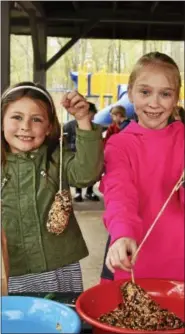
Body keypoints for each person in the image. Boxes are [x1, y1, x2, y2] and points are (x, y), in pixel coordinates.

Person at [1, 81, 103, 293]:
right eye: (16, 117)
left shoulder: (57, 159)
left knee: (57, 323)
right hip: (10, 268)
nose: (25, 126)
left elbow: (87, 174)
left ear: (49, 128)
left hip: (58, 268)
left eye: (36, 119)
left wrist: (83, 120)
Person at [100, 52, 184, 283]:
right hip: (132, 255)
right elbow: (119, 191)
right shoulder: (119, 144)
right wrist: (122, 233)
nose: (154, 103)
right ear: (130, 93)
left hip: (179, 259)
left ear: (176, 97)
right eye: (145, 92)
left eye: (165, 94)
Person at [64, 102, 100, 202]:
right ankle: (78, 192)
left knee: (92, 171)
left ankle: (90, 191)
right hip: (75, 154)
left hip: (91, 156)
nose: (93, 118)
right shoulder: (69, 126)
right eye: (92, 115)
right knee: (78, 173)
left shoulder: (95, 127)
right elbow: (64, 141)